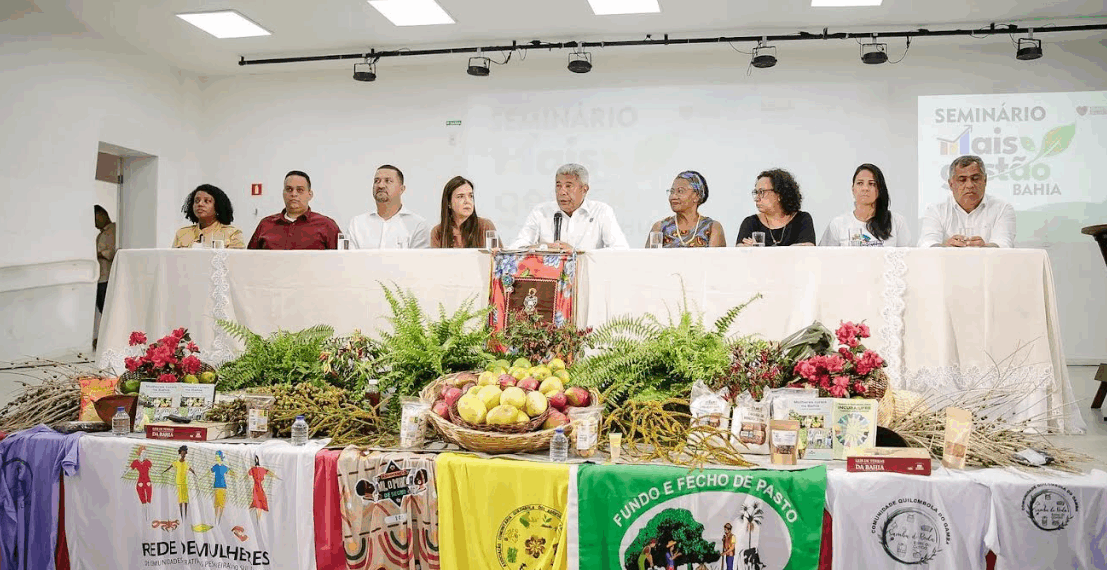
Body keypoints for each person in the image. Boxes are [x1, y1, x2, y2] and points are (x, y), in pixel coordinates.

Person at [509, 163, 629, 250]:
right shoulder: (541, 212)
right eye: (558, 185)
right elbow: (517, 247)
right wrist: (543, 248)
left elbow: (620, 250)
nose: (562, 192)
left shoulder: (601, 211)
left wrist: (576, 253)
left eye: (568, 186)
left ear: (584, 189)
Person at [917, 154, 1016, 248]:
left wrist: (985, 248)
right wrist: (946, 247)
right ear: (951, 184)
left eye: (975, 178)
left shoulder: (1002, 208)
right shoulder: (936, 210)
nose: (969, 185)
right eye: (962, 180)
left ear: (985, 180)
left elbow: (1004, 244)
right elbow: (926, 243)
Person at [819, 164, 912, 247]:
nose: (865, 188)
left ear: (879, 189)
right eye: (860, 183)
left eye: (871, 184)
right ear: (853, 189)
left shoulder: (897, 222)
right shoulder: (838, 224)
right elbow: (824, 259)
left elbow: (909, 258)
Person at [248, 170, 341, 249]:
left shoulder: (327, 226)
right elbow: (248, 260)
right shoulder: (265, 225)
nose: (294, 194)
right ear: (283, 193)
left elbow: (342, 262)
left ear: (310, 194)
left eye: (300, 190)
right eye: (289, 189)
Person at [346, 165, 430, 249]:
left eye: (388, 181)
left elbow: (419, 260)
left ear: (402, 189)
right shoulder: (357, 224)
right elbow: (349, 259)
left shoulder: (417, 225)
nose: (381, 185)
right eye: (376, 181)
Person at [735, 169, 816, 247]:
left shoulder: (802, 219)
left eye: (762, 192)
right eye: (756, 193)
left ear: (779, 194)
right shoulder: (750, 222)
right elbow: (740, 251)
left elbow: (808, 249)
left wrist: (760, 251)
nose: (757, 198)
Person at [646, 171, 726, 248]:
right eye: (672, 192)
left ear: (696, 196)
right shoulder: (660, 228)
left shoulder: (712, 228)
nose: (673, 197)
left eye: (680, 191)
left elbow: (715, 260)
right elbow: (648, 259)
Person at [430, 176, 497, 248]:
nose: (467, 201)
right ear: (449, 203)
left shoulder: (485, 226)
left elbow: (499, 257)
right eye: (460, 196)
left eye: (470, 196)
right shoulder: (438, 232)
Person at [172, 184, 245, 248]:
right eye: (196, 201)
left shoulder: (233, 234)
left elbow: (236, 261)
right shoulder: (182, 233)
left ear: (218, 206)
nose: (200, 204)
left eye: (207, 201)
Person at [161, 445, 197, 520]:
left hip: (185, 482)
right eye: (182, 453)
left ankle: (186, 515)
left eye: (185, 453)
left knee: (185, 499)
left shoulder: (187, 463)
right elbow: (170, 467)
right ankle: (181, 515)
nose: (183, 454)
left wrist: (196, 475)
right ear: (180, 453)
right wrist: (163, 472)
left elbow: (191, 469)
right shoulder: (176, 462)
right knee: (180, 499)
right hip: (179, 482)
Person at [94, 205, 116, 313]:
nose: (94, 223)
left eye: (95, 218)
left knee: (108, 311)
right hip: (100, 278)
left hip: (108, 279)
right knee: (102, 310)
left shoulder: (114, 230)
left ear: (102, 215)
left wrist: (98, 254)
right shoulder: (101, 234)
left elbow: (112, 252)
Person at [248, 455, 280, 521]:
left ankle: (258, 519)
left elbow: (248, 475)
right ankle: (257, 519)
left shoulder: (255, 469)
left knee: (259, 501)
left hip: (258, 487)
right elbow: (270, 473)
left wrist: (277, 477)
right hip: (258, 487)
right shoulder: (258, 469)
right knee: (258, 502)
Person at [128, 445, 152, 520]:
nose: (145, 454)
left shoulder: (148, 462)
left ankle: (149, 517)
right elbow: (130, 469)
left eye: (146, 453)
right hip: (140, 481)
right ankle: (145, 517)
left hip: (147, 481)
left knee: (149, 499)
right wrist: (123, 474)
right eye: (144, 452)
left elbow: (153, 469)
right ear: (140, 453)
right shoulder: (136, 462)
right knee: (143, 500)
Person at [210, 450, 233, 523]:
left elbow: (231, 473)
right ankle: (216, 520)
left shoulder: (224, 467)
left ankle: (220, 519)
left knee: (222, 504)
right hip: (216, 486)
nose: (216, 458)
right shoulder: (215, 466)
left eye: (217, 456)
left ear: (220, 457)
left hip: (223, 486)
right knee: (216, 504)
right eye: (216, 456)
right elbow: (210, 471)